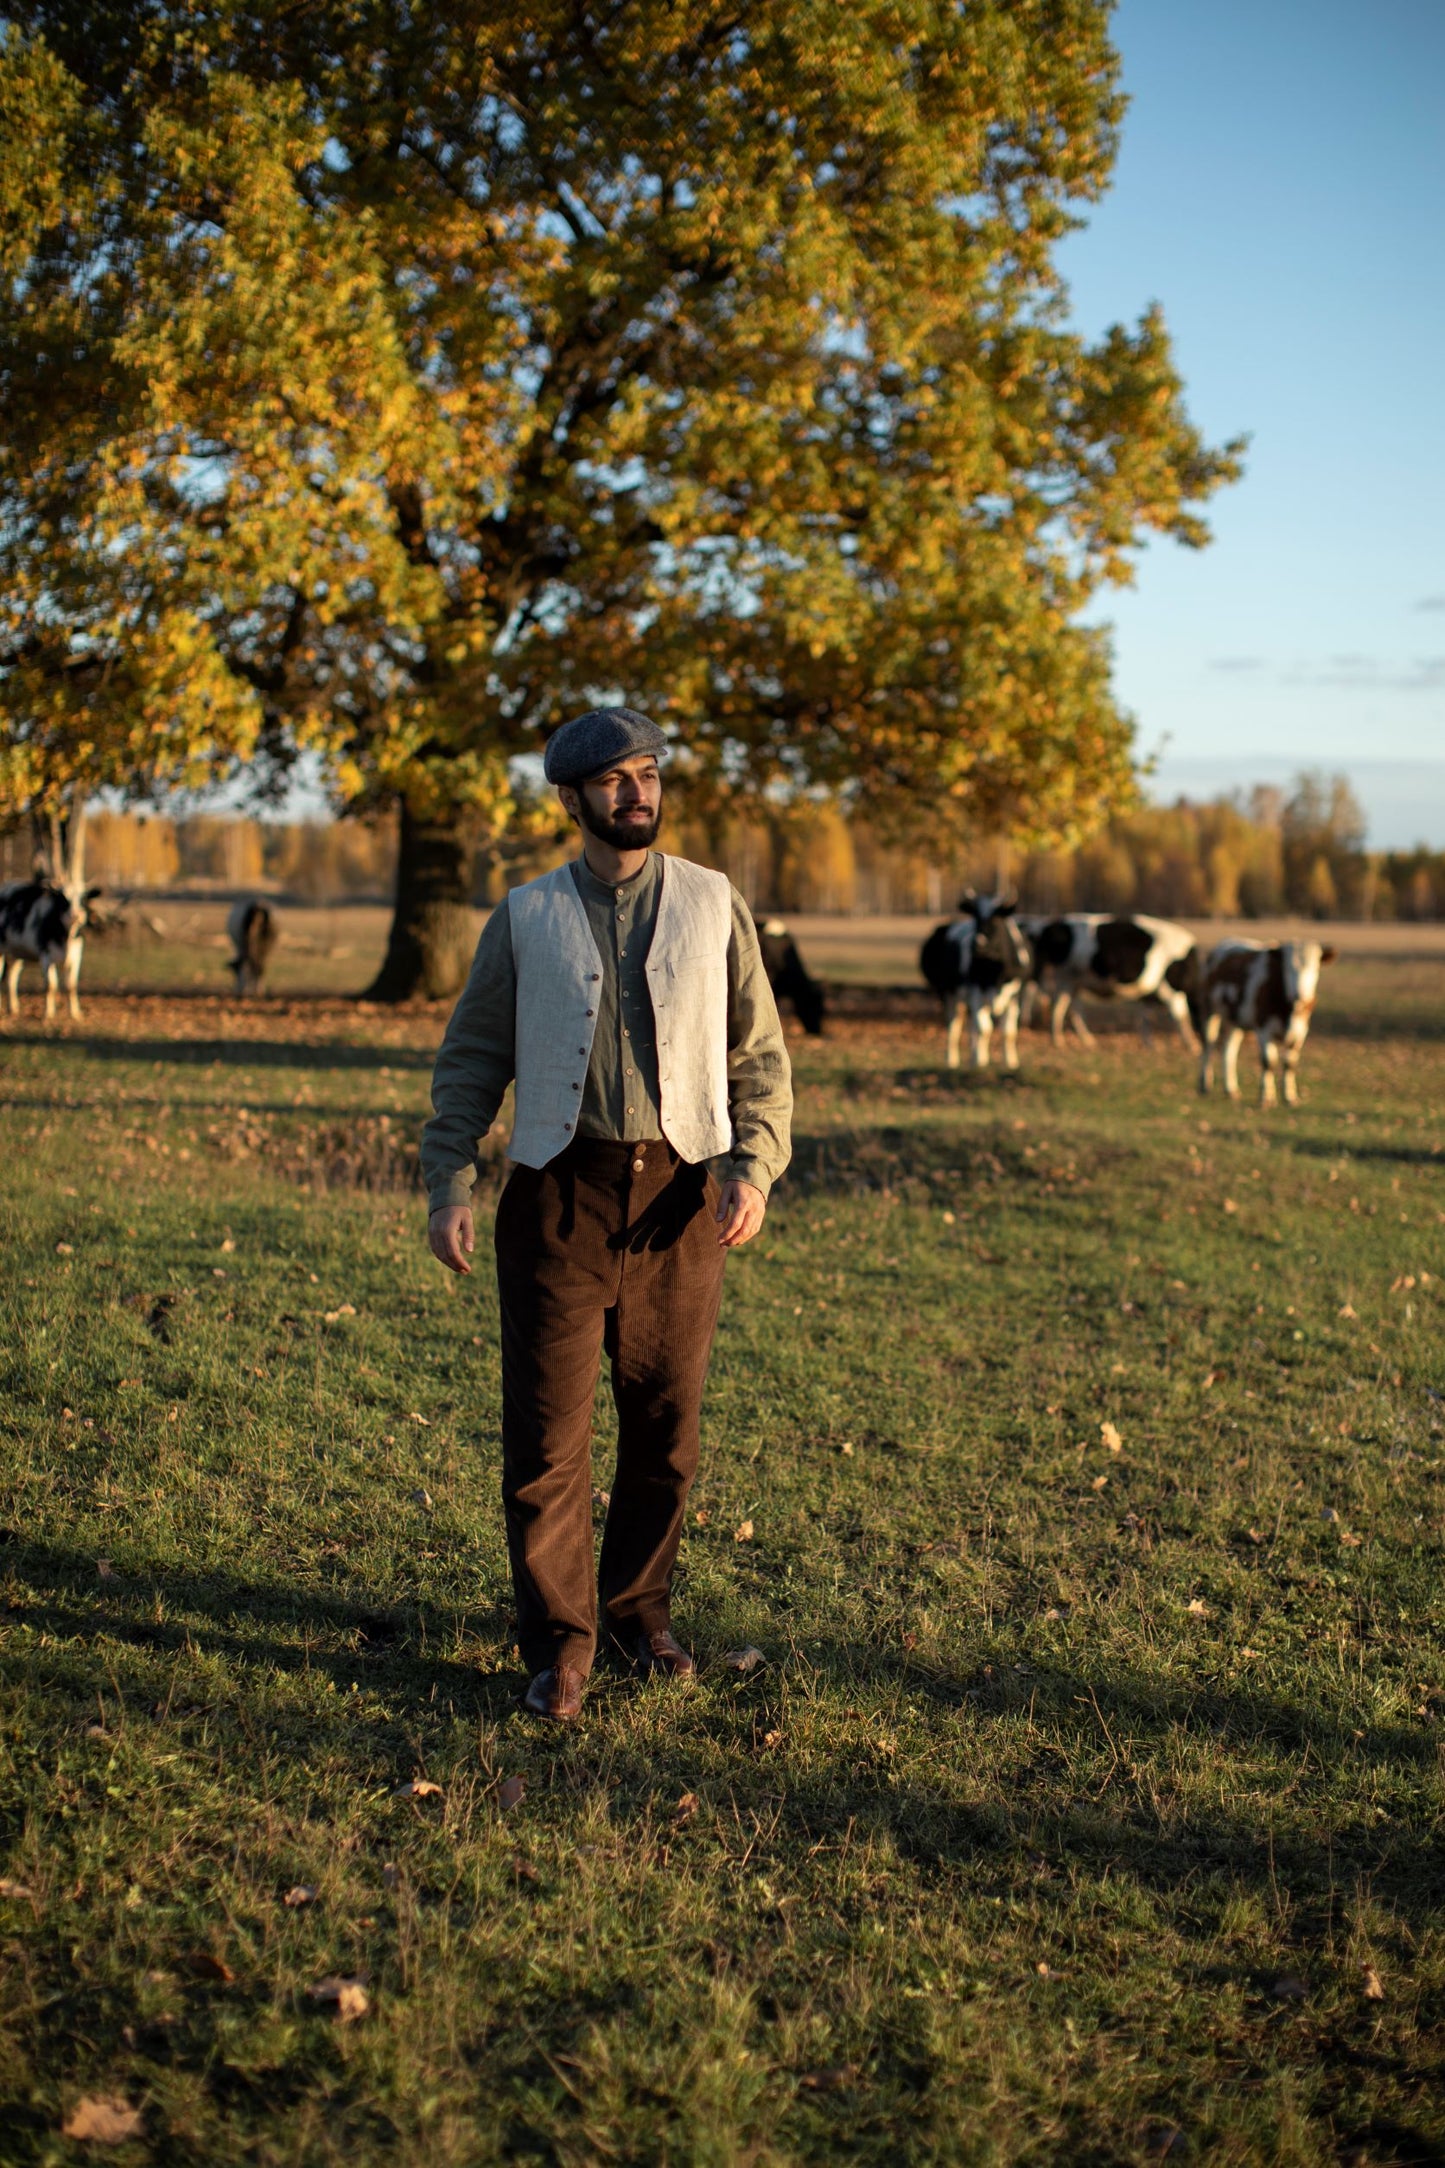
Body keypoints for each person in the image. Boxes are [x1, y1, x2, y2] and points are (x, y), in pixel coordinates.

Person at [422, 708, 793, 1722]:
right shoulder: (526, 914)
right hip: (553, 1193)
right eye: (613, 779)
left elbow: (758, 1056)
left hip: (680, 1199)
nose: (636, 791)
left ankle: (638, 1616)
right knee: (548, 1440)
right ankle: (558, 1646)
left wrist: (751, 1166)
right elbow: (469, 1059)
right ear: (572, 798)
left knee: (665, 1430)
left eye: (647, 772)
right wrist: (448, 1181)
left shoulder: (713, 904)